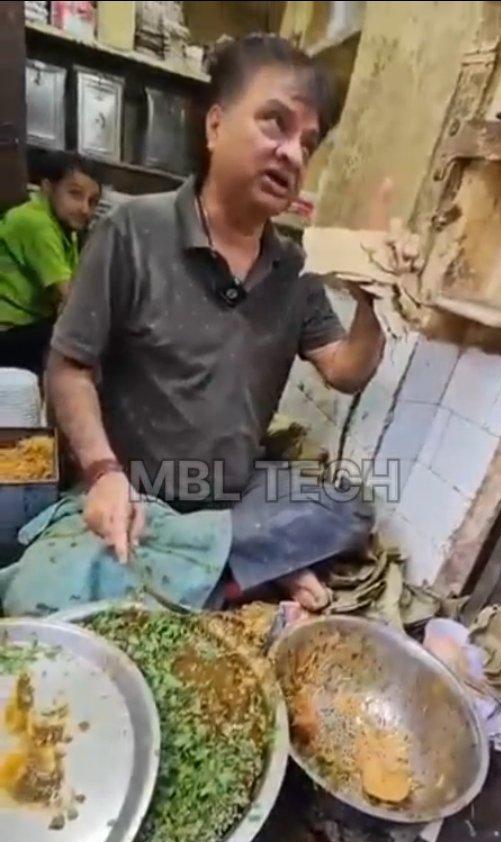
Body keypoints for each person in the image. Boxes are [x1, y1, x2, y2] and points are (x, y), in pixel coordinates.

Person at [47, 34, 386, 612]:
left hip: (233, 494)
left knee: (347, 507)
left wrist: (373, 297)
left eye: (308, 143)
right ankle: (243, 567)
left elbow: (346, 371)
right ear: (214, 127)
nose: (293, 155)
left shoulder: (295, 269)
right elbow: (67, 368)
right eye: (274, 124)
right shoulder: (133, 232)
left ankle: (202, 567)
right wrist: (103, 472)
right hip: (139, 493)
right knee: (43, 591)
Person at [0, 151, 101, 375]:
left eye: (92, 201)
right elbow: (69, 297)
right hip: (9, 331)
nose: (85, 209)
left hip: (30, 327)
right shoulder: (36, 223)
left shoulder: (66, 229)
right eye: (75, 195)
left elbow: (78, 285)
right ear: (47, 188)